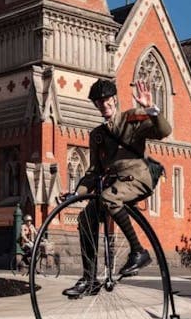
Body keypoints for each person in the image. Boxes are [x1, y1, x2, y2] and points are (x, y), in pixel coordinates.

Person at [63, 78, 173, 297]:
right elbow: (93, 172)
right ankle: (89, 279)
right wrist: (76, 194)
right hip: (113, 185)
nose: (104, 105)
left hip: (138, 178)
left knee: (108, 198)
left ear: (114, 99)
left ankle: (138, 251)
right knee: (86, 217)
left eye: (106, 100)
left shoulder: (131, 118)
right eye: (98, 102)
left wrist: (150, 109)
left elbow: (163, 131)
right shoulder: (97, 135)